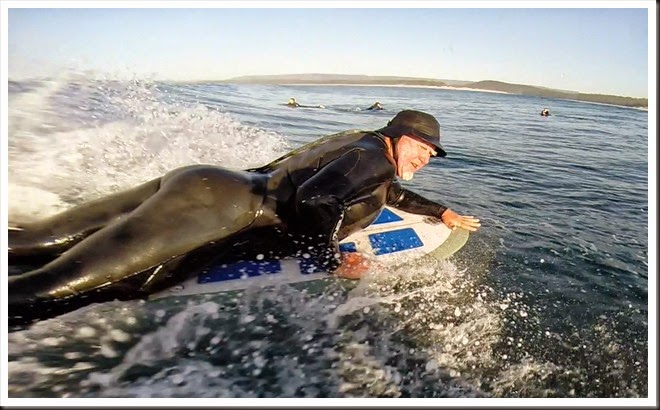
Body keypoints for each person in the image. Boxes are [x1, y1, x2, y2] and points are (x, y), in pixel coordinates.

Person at [8, 110, 480, 325]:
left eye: (431, 155)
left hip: (208, 185)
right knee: (72, 284)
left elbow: (386, 191)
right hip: (222, 209)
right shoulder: (373, 159)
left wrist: (441, 211)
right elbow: (316, 201)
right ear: (399, 137)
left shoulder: (364, 148)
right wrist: (331, 259)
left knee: (39, 241)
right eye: (422, 149)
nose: (426, 159)